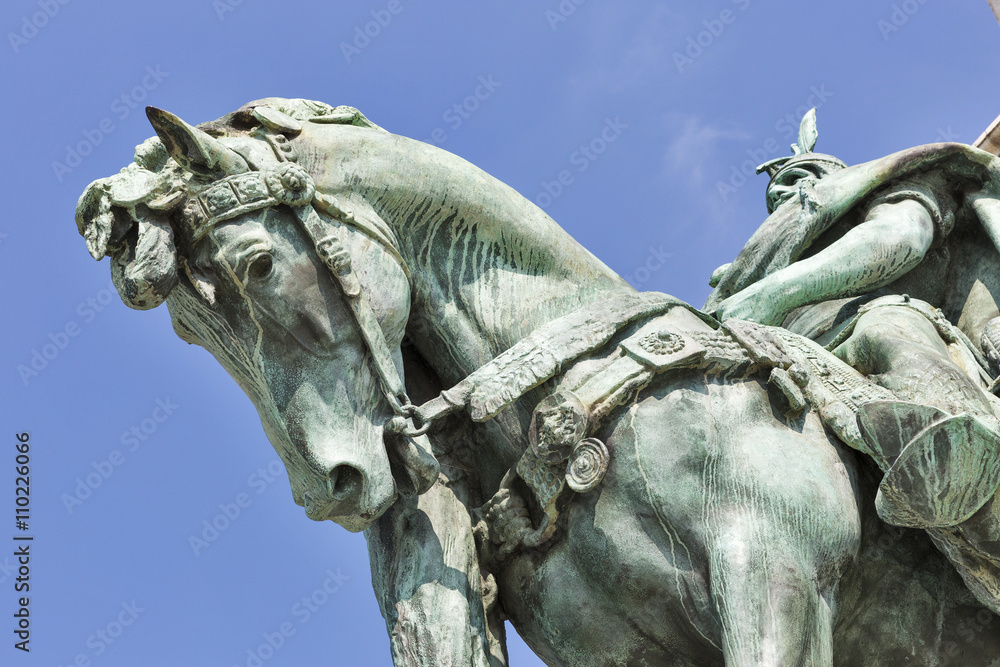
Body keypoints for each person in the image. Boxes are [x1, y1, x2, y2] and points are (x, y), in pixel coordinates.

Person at [704, 111, 1000, 532]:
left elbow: (901, 238)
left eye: (800, 177)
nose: (784, 192)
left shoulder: (890, 187)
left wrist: (771, 293)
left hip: (880, 317)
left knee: (885, 333)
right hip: (780, 359)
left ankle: (975, 474)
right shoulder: (749, 268)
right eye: (776, 192)